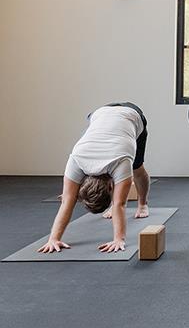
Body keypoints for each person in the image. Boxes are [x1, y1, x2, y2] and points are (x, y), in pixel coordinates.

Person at [37, 102, 150, 254]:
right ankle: (136, 204)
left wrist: (119, 239)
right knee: (70, 196)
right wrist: (53, 239)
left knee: (137, 168)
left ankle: (142, 204)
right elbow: (67, 201)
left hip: (132, 114)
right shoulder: (76, 159)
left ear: (111, 187)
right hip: (99, 113)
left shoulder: (120, 162)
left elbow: (119, 204)